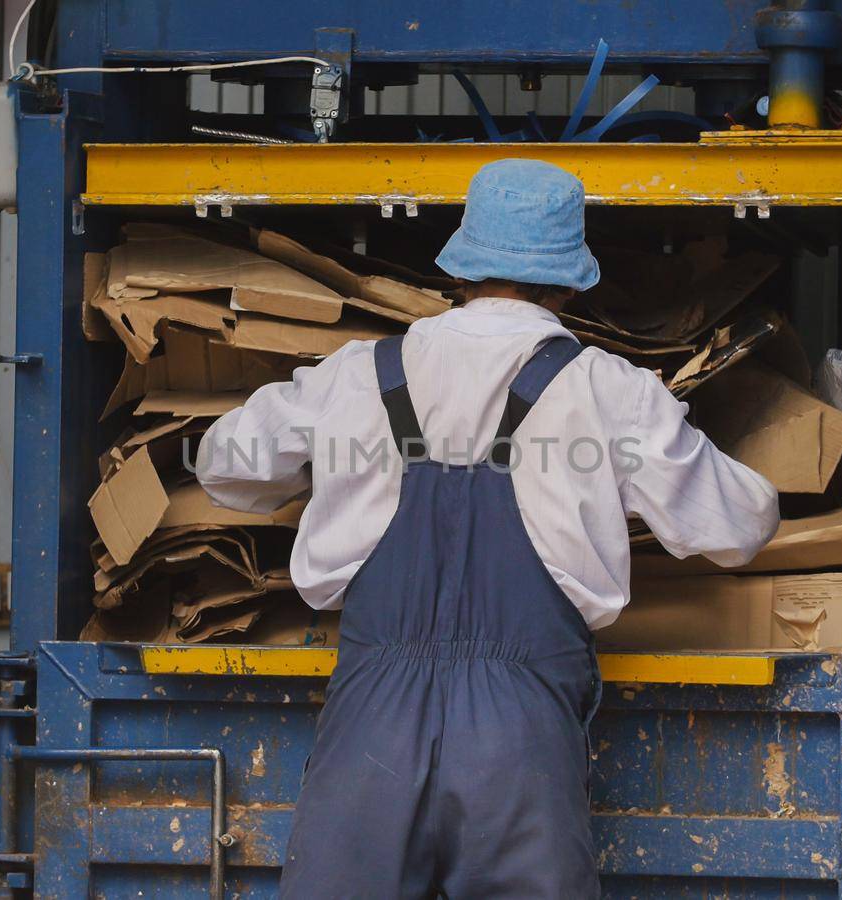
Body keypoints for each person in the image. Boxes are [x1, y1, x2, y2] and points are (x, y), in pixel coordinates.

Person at [195, 158, 779, 899]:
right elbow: (740, 525)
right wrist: (610, 490)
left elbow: (223, 466)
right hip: (520, 734)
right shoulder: (607, 389)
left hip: (371, 722)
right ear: (570, 282)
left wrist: (329, 470)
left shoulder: (356, 372)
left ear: (463, 269)